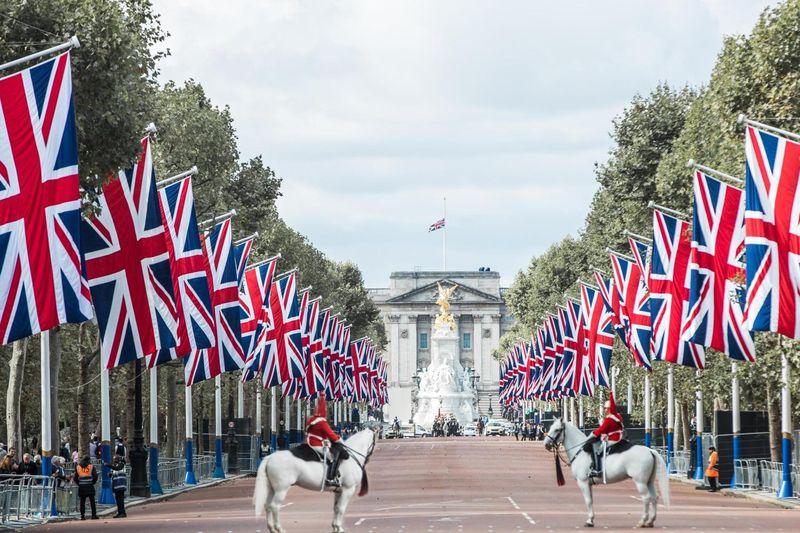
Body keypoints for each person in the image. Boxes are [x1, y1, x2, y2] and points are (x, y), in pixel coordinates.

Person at [305, 398, 348, 487]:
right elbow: (331, 435)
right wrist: (339, 440)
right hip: (316, 443)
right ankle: (330, 478)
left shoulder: (311, 419)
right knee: (332, 457)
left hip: (310, 441)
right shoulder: (322, 422)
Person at [582, 392, 624, 477]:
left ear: (609, 409)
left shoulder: (609, 419)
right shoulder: (618, 416)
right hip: (618, 437)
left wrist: (591, 435)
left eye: (606, 408)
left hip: (613, 438)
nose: (605, 410)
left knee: (597, 451)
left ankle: (597, 470)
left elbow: (601, 430)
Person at [74, 455, 99, 520]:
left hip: (82, 486)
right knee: (92, 501)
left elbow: (75, 478)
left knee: (82, 502)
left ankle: (82, 516)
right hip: (89, 485)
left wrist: (79, 484)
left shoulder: (78, 467)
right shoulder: (91, 466)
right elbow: (95, 476)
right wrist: (92, 482)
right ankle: (94, 515)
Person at [107, 453, 128, 518]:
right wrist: (110, 474)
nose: (114, 460)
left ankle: (122, 513)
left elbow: (118, 468)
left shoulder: (121, 464)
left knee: (120, 500)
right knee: (118, 500)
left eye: (115, 459)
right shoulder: (116, 465)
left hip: (120, 485)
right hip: (117, 485)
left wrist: (109, 466)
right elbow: (115, 472)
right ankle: (120, 512)